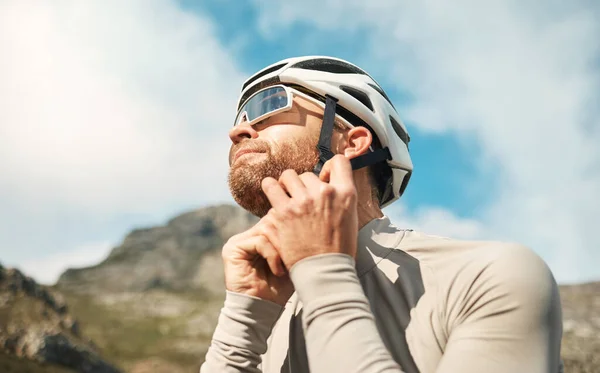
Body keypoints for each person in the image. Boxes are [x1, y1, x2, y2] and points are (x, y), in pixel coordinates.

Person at [199, 56, 563, 373]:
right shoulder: (261, 324)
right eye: (241, 116)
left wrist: (323, 268)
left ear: (353, 142)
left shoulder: (488, 276)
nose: (239, 130)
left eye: (269, 103)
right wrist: (245, 317)